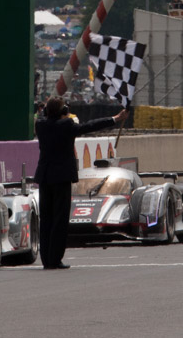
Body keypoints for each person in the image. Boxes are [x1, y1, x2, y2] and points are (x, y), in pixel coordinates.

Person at [34, 97, 127, 270]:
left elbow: (50, 120)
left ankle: (46, 259)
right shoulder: (67, 125)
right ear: (63, 112)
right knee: (60, 219)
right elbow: (89, 126)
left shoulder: (40, 125)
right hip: (61, 177)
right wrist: (115, 119)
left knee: (46, 218)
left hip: (45, 176)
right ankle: (55, 259)